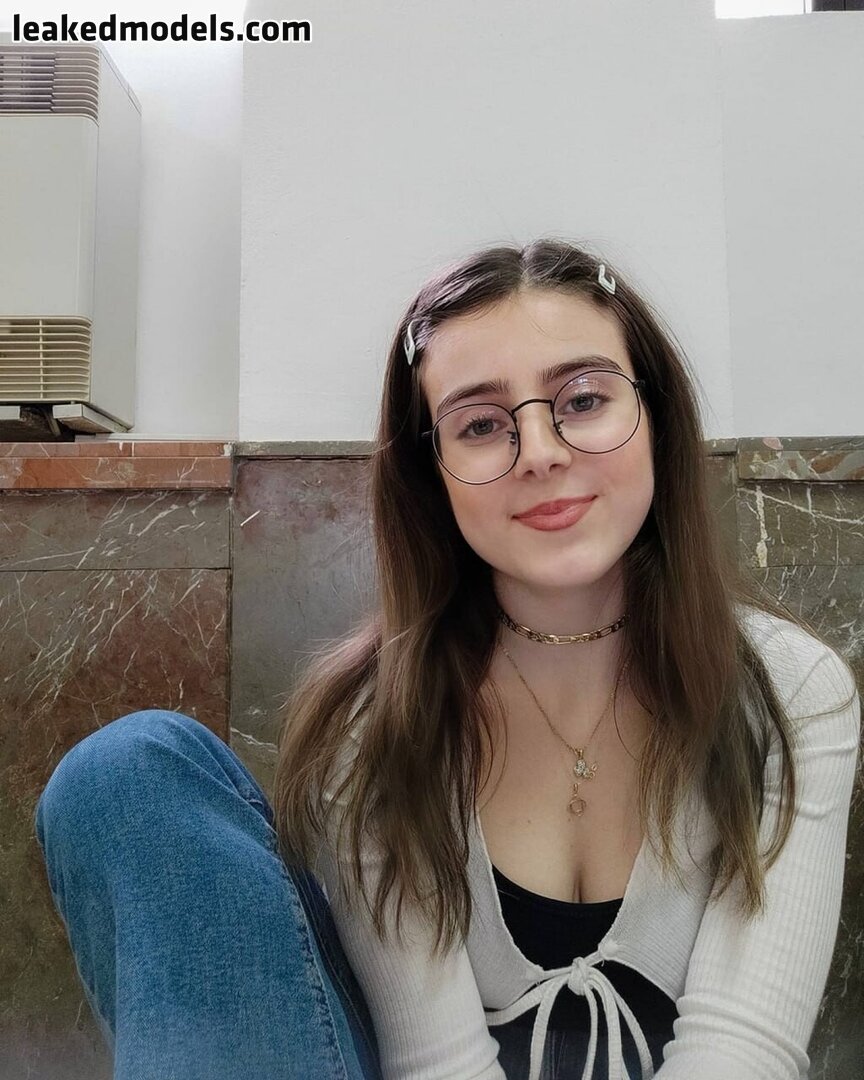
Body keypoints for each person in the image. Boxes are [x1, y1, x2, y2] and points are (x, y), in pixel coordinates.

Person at [34, 239, 860, 1080]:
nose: (540, 451)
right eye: (481, 425)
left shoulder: (791, 690)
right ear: (433, 473)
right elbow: (436, 1064)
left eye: (583, 399)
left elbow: (743, 1048)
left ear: (655, 417)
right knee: (124, 770)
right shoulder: (373, 722)